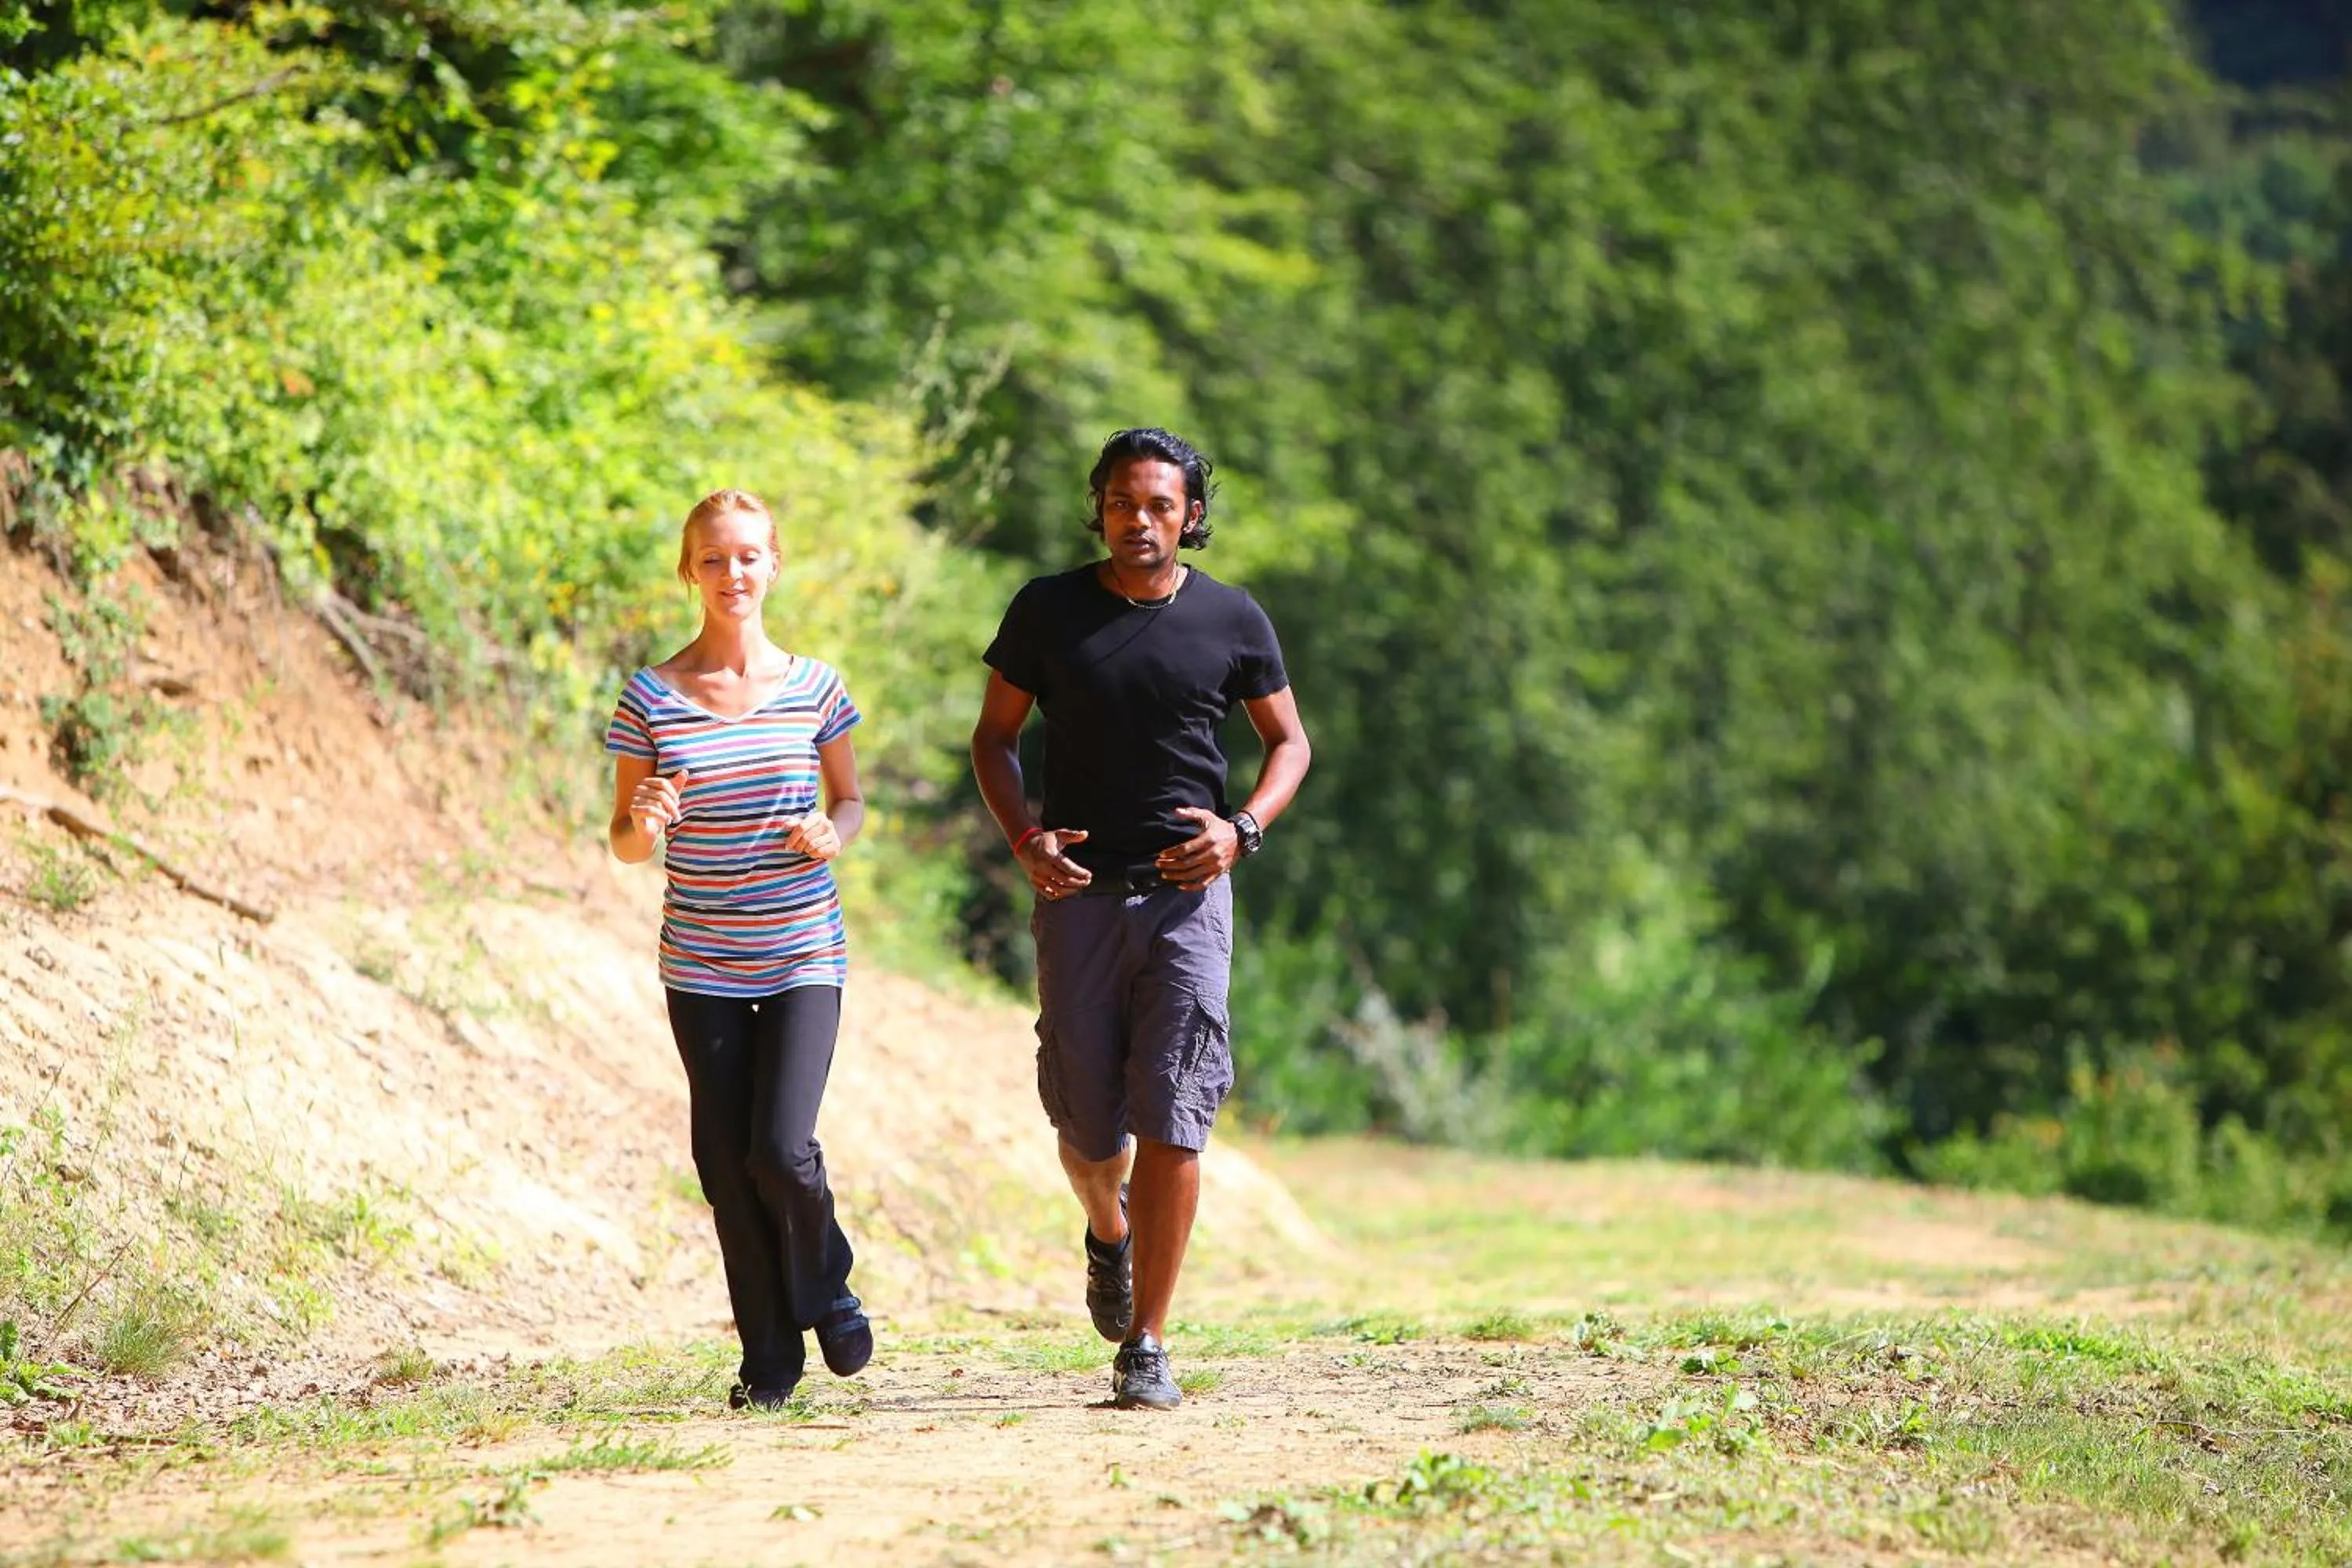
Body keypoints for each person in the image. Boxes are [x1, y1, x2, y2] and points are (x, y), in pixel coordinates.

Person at [971, 427, 1312, 1410]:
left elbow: (1289, 742)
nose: (1140, 519)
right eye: (1123, 501)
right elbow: (995, 739)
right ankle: (1107, 1231)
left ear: (1191, 515)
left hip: (1187, 900)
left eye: (1161, 504)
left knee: (1174, 1114)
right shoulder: (1049, 610)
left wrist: (1243, 828)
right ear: (1101, 507)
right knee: (1087, 1130)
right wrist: (1024, 836)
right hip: (1077, 895)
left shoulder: (1232, 619)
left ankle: (1149, 1344)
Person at [605, 487, 874, 1411]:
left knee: (782, 1147)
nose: (733, 574)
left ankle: (827, 1282)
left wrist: (832, 832)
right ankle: (769, 1363)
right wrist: (645, 818)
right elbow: (625, 840)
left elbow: (850, 801)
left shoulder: (816, 686)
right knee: (726, 1166)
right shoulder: (651, 694)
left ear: (774, 563)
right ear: (690, 571)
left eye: (749, 556)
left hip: (802, 946)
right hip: (702, 961)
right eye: (713, 559)